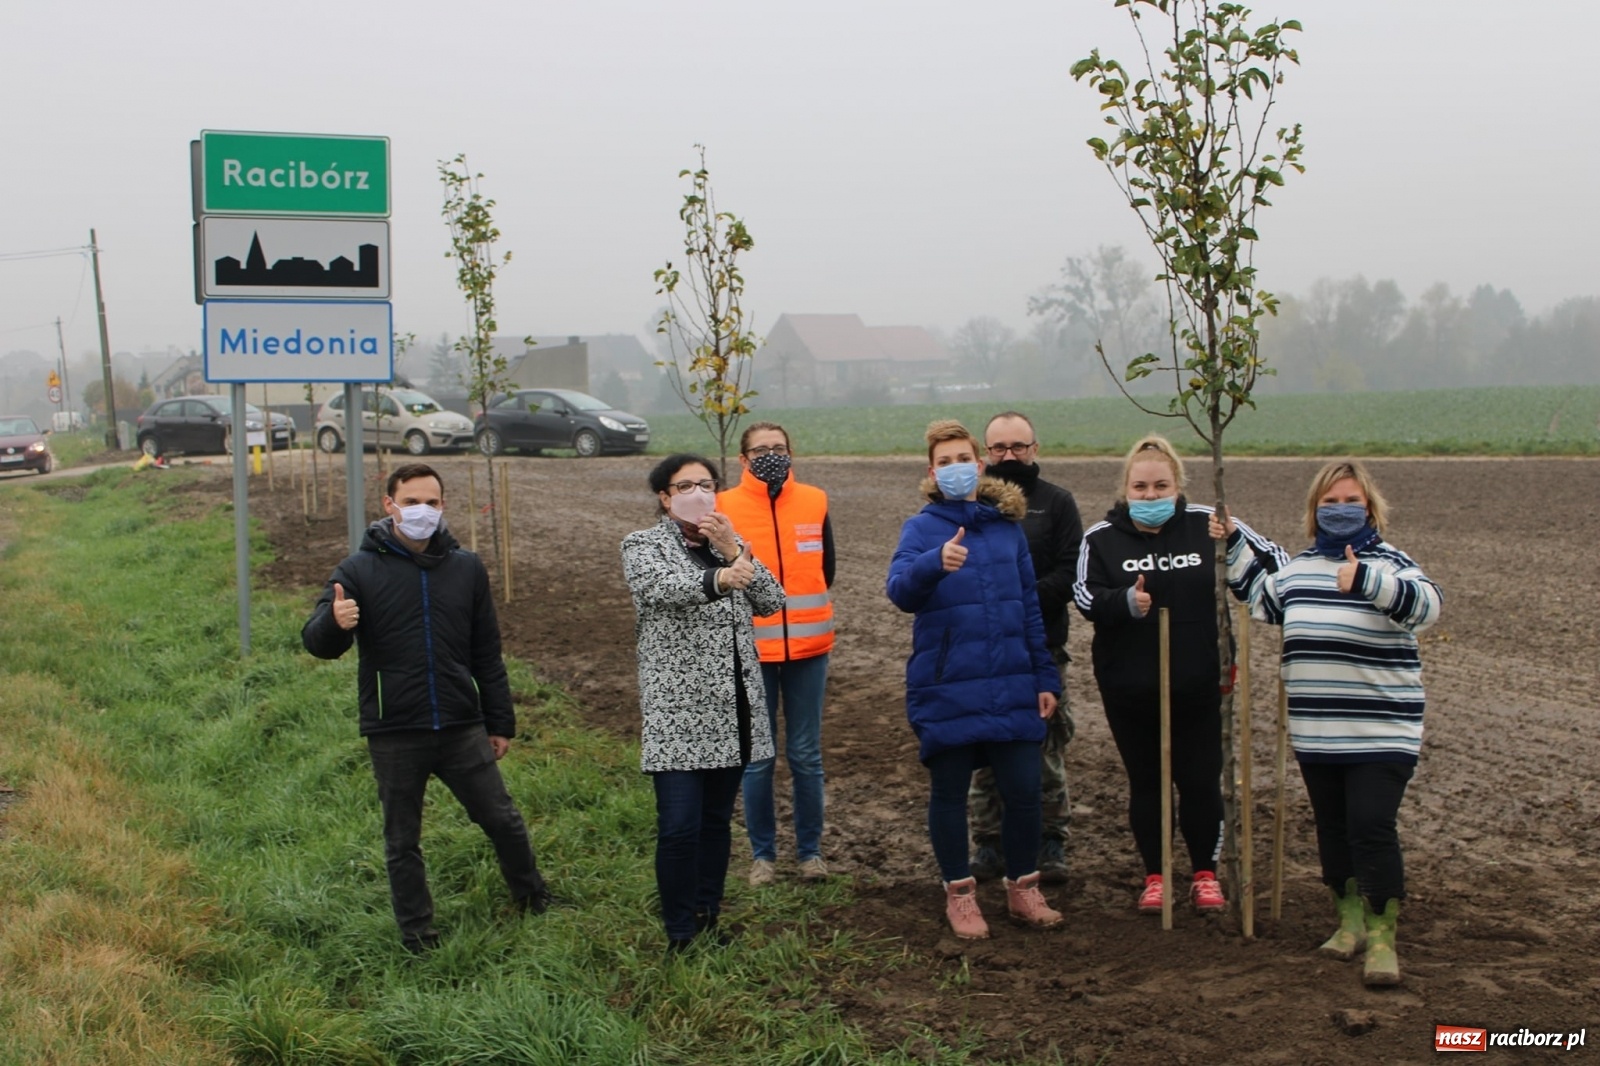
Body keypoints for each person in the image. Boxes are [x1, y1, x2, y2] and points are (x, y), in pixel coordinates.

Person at [301, 463, 552, 953]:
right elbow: (318, 644)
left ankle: (532, 896)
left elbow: (487, 651)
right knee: (402, 838)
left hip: (461, 724)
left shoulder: (466, 568)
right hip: (395, 729)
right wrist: (334, 621)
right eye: (411, 501)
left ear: (444, 506)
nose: (422, 511)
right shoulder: (357, 570)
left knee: (501, 818)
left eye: (431, 502)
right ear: (389, 505)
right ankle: (417, 933)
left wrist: (499, 721)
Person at [1211, 459, 1441, 986]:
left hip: (1383, 732)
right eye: (1329, 503)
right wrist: (1235, 536)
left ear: (1371, 508)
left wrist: (1366, 580)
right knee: (1333, 829)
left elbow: (1427, 607)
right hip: (1317, 734)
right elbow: (1260, 598)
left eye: (1351, 501)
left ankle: (1384, 937)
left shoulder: (1392, 564)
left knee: (1371, 826)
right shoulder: (1298, 570)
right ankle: (1349, 922)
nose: (1341, 511)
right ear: (1315, 512)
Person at [1073, 435, 1283, 915]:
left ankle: (1205, 875)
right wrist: (1123, 602)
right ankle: (1155, 876)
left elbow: (1278, 565)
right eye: (1140, 487)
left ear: (1178, 485)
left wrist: (1232, 543)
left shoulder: (1208, 524)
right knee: (1147, 782)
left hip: (1201, 684)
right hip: (1130, 687)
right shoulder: (1100, 538)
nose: (1150, 496)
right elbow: (1085, 597)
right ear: (1125, 489)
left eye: (1160, 485)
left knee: (1200, 780)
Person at [886, 419, 1065, 939]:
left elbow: (1030, 606)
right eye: (945, 462)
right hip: (947, 683)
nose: (956, 469)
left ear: (979, 464)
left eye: (963, 458)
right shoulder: (921, 529)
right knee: (949, 792)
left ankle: (1023, 890)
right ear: (932, 472)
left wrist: (1043, 675)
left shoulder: (1007, 529)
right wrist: (933, 564)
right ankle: (960, 894)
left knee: (1024, 792)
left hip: (1010, 679)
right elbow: (899, 591)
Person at [621, 453, 786, 953]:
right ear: (665, 497)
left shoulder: (729, 545)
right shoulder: (642, 546)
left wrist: (733, 550)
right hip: (678, 712)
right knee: (678, 827)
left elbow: (773, 601)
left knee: (716, 822)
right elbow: (660, 589)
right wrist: (719, 579)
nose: (698, 492)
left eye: (706, 484)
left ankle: (707, 914)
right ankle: (679, 934)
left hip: (734, 708)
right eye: (685, 485)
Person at [717, 422, 836, 886]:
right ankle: (763, 857)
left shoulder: (815, 500)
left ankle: (810, 855)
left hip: (810, 649)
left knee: (806, 755)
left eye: (779, 448)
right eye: (760, 449)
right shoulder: (724, 505)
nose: (771, 455)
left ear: (791, 453)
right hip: (750, 653)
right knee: (758, 758)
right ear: (743, 459)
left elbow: (827, 567)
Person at [968, 411, 1083, 885]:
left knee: (1045, 749)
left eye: (1018, 447)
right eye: (999, 449)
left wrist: (1020, 601)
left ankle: (1051, 841)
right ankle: (988, 843)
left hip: (1043, 649)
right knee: (985, 752)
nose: (1009, 456)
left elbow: (1070, 568)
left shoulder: (1057, 503)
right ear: (986, 454)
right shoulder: (974, 505)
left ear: (1036, 449)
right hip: (983, 654)